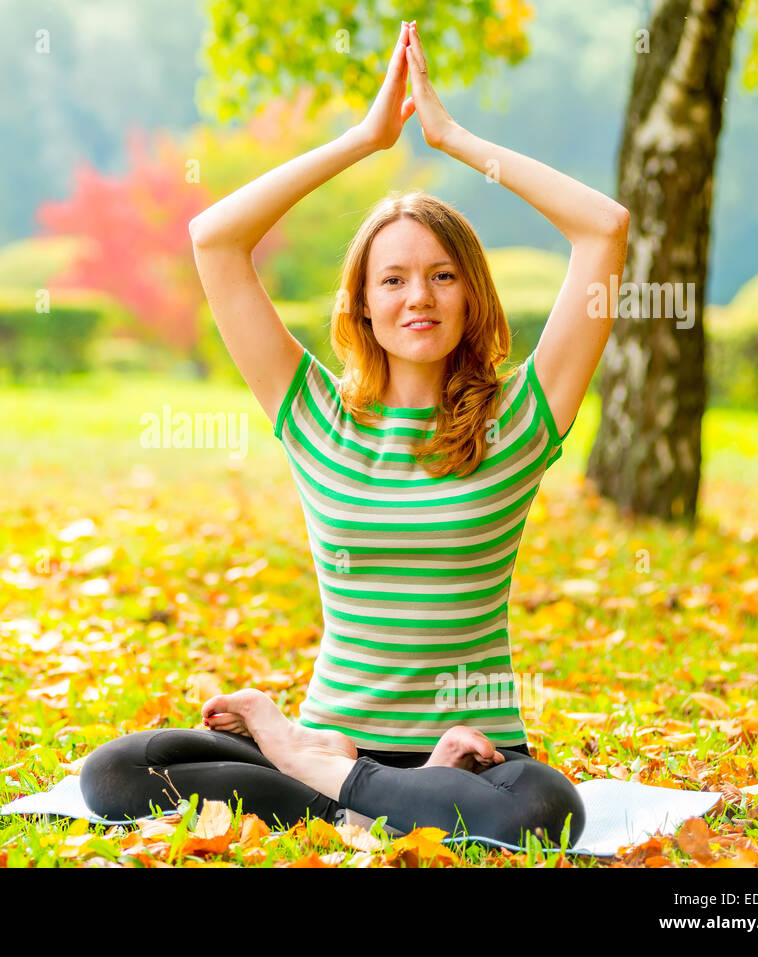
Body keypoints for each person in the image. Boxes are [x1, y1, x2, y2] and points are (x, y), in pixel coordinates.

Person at [81, 20, 628, 848]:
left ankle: (320, 775)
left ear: (472, 295)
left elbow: (604, 229)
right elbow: (214, 240)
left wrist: (455, 139)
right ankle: (362, 780)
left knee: (543, 811)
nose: (420, 297)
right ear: (362, 304)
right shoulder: (314, 414)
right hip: (339, 727)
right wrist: (364, 140)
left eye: (443, 275)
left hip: (474, 755)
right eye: (394, 278)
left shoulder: (518, 419)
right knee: (117, 773)